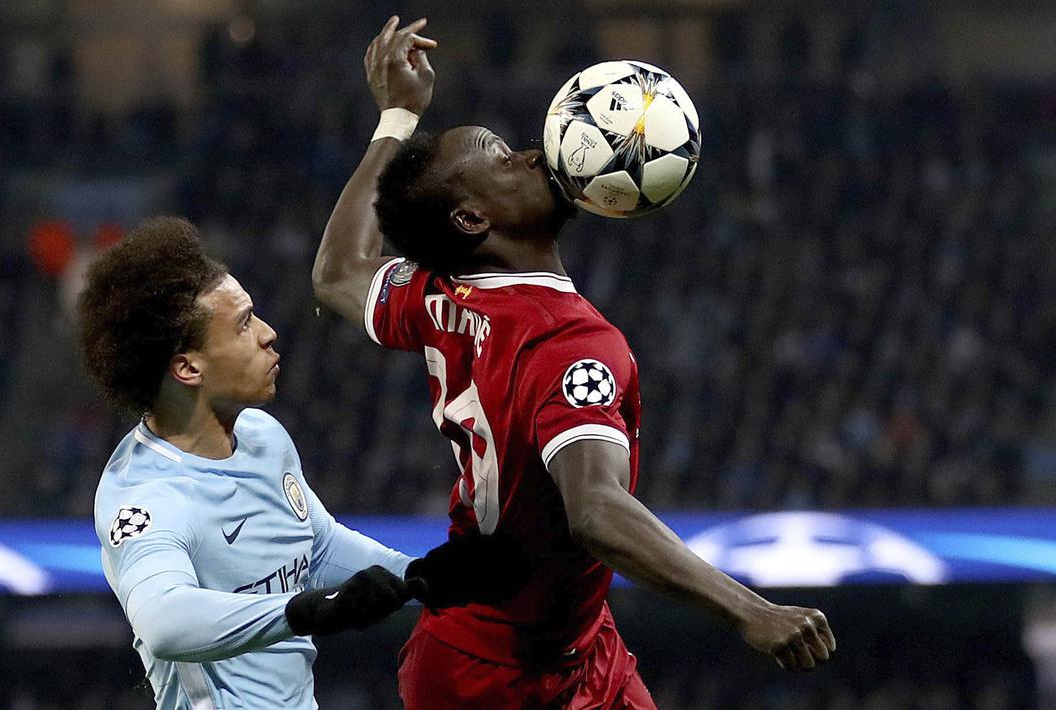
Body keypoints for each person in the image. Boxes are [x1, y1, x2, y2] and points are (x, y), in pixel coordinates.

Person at [313, 16, 838, 709]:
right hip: (500, 681)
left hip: (571, 647)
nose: (531, 153)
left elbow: (339, 271)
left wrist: (398, 115)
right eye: (501, 159)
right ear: (472, 220)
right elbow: (593, 510)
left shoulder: (436, 292)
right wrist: (750, 610)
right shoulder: (567, 343)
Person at [79, 217, 519, 709]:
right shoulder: (146, 498)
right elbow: (164, 622)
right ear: (187, 367)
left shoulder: (263, 436)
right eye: (243, 324)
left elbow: (317, 543)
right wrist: (306, 610)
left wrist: (418, 576)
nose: (268, 333)